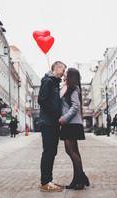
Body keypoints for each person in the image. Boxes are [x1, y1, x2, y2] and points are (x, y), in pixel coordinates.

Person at [38, 61, 66, 192]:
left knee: (52, 152)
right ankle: (45, 182)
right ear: (57, 68)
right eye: (63, 70)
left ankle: (49, 180)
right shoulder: (48, 81)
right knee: (48, 151)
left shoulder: (54, 83)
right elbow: (42, 100)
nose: (64, 73)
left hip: (53, 123)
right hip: (48, 123)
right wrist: (56, 114)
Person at [59, 68, 89, 190]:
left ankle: (80, 178)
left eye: (66, 74)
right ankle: (79, 178)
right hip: (70, 124)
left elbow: (75, 106)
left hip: (71, 123)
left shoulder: (74, 89)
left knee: (70, 151)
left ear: (71, 76)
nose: (64, 75)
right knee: (73, 151)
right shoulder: (67, 88)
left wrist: (65, 118)